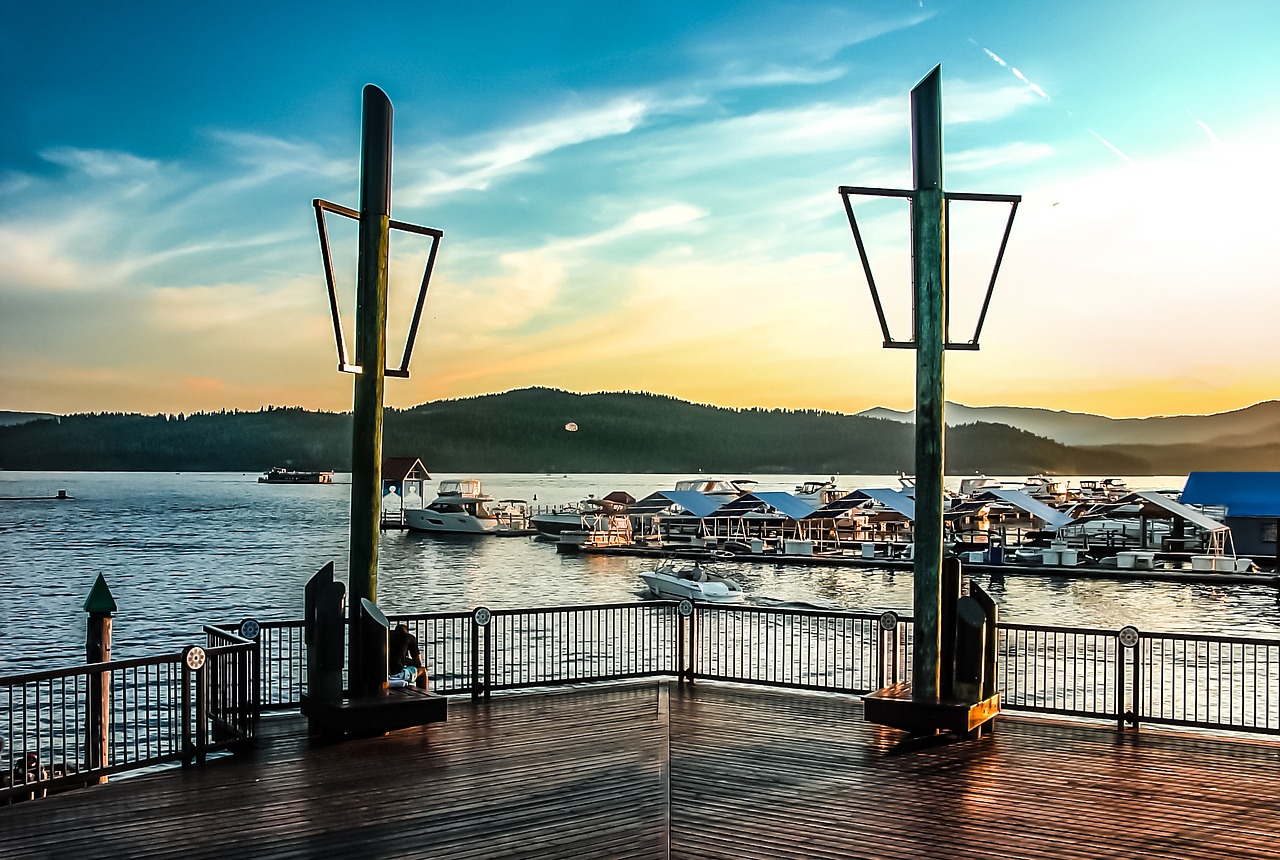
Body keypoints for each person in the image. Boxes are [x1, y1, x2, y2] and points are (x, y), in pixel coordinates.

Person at [388, 623, 427, 689]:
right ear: (407, 631)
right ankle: (426, 697)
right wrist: (408, 661)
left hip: (382, 674)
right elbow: (418, 663)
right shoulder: (410, 637)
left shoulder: (386, 636)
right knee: (423, 671)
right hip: (396, 674)